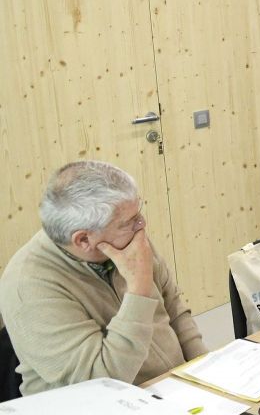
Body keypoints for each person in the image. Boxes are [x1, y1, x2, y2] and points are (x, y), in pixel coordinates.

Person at [0, 161, 207, 396]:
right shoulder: (28, 286)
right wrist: (138, 289)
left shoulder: (126, 240)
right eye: (128, 222)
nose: (141, 225)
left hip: (172, 386)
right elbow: (101, 384)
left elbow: (174, 309)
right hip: (103, 407)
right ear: (83, 240)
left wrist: (205, 369)